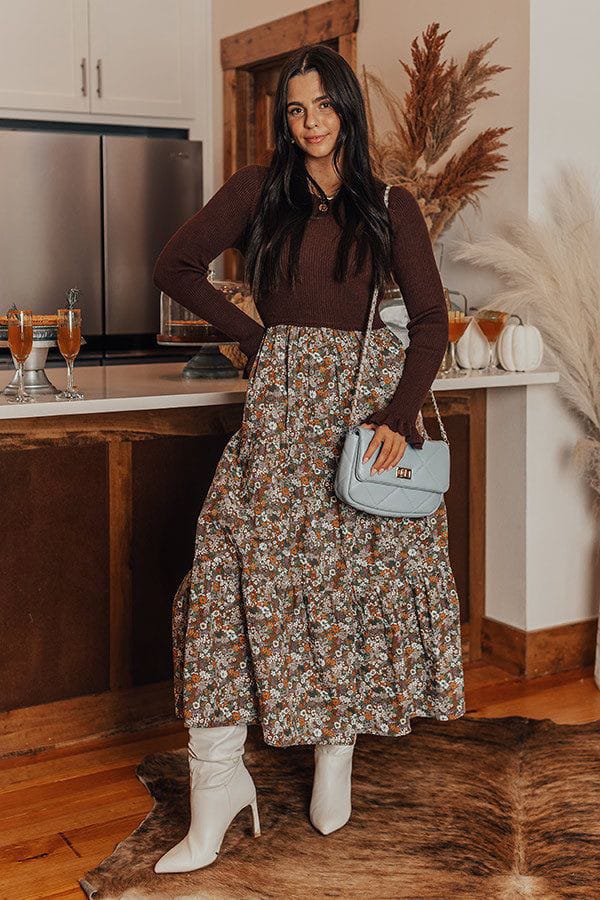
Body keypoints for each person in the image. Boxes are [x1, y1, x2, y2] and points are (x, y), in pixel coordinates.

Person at [151, 43, 466, 874]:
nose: (310, 122)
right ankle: (217, 785)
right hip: (279, 416)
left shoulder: (391, 202)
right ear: (281, 120)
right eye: (294, 109)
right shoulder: (260, 191)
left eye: (323, 105)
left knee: (341, 591)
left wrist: (400, 413)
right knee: (222, 579)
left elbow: (430, 321)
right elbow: (173, 265)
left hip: (361, 420)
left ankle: (336, 746)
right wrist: (259, 337)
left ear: (347, 110)